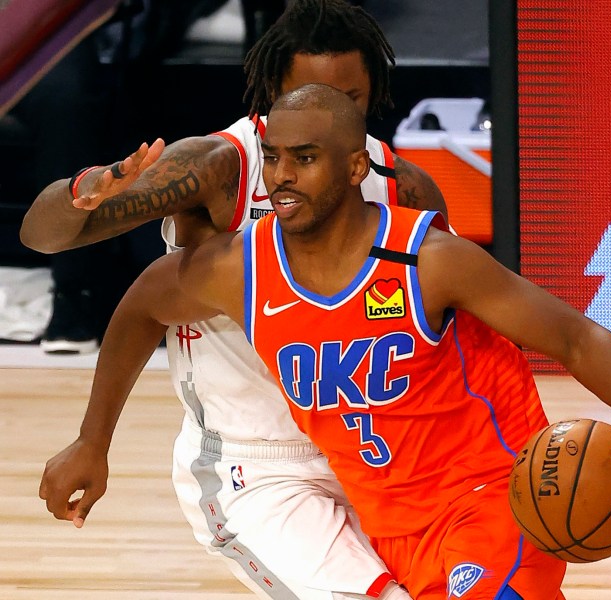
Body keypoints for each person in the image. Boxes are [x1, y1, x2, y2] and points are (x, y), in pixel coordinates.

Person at [106, 83, 611, 599]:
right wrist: (90, 442)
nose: (282, 175)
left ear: (357, 167)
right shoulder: (242, 268)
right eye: (275, 158)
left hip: (492, 501)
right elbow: (140, 307)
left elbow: (574, 338)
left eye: (305, 159)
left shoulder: (429, 260)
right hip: (385, 527)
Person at [31, 1, 445, 598]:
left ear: (374, 93)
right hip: (258, 465)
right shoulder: (217, 169)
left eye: (349, 100)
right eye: (310, 99)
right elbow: (47, 237)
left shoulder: (405, 185)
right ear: (272, 95)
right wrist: (85, 194)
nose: (329, 119)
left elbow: (461, 343)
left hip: (376, 455)